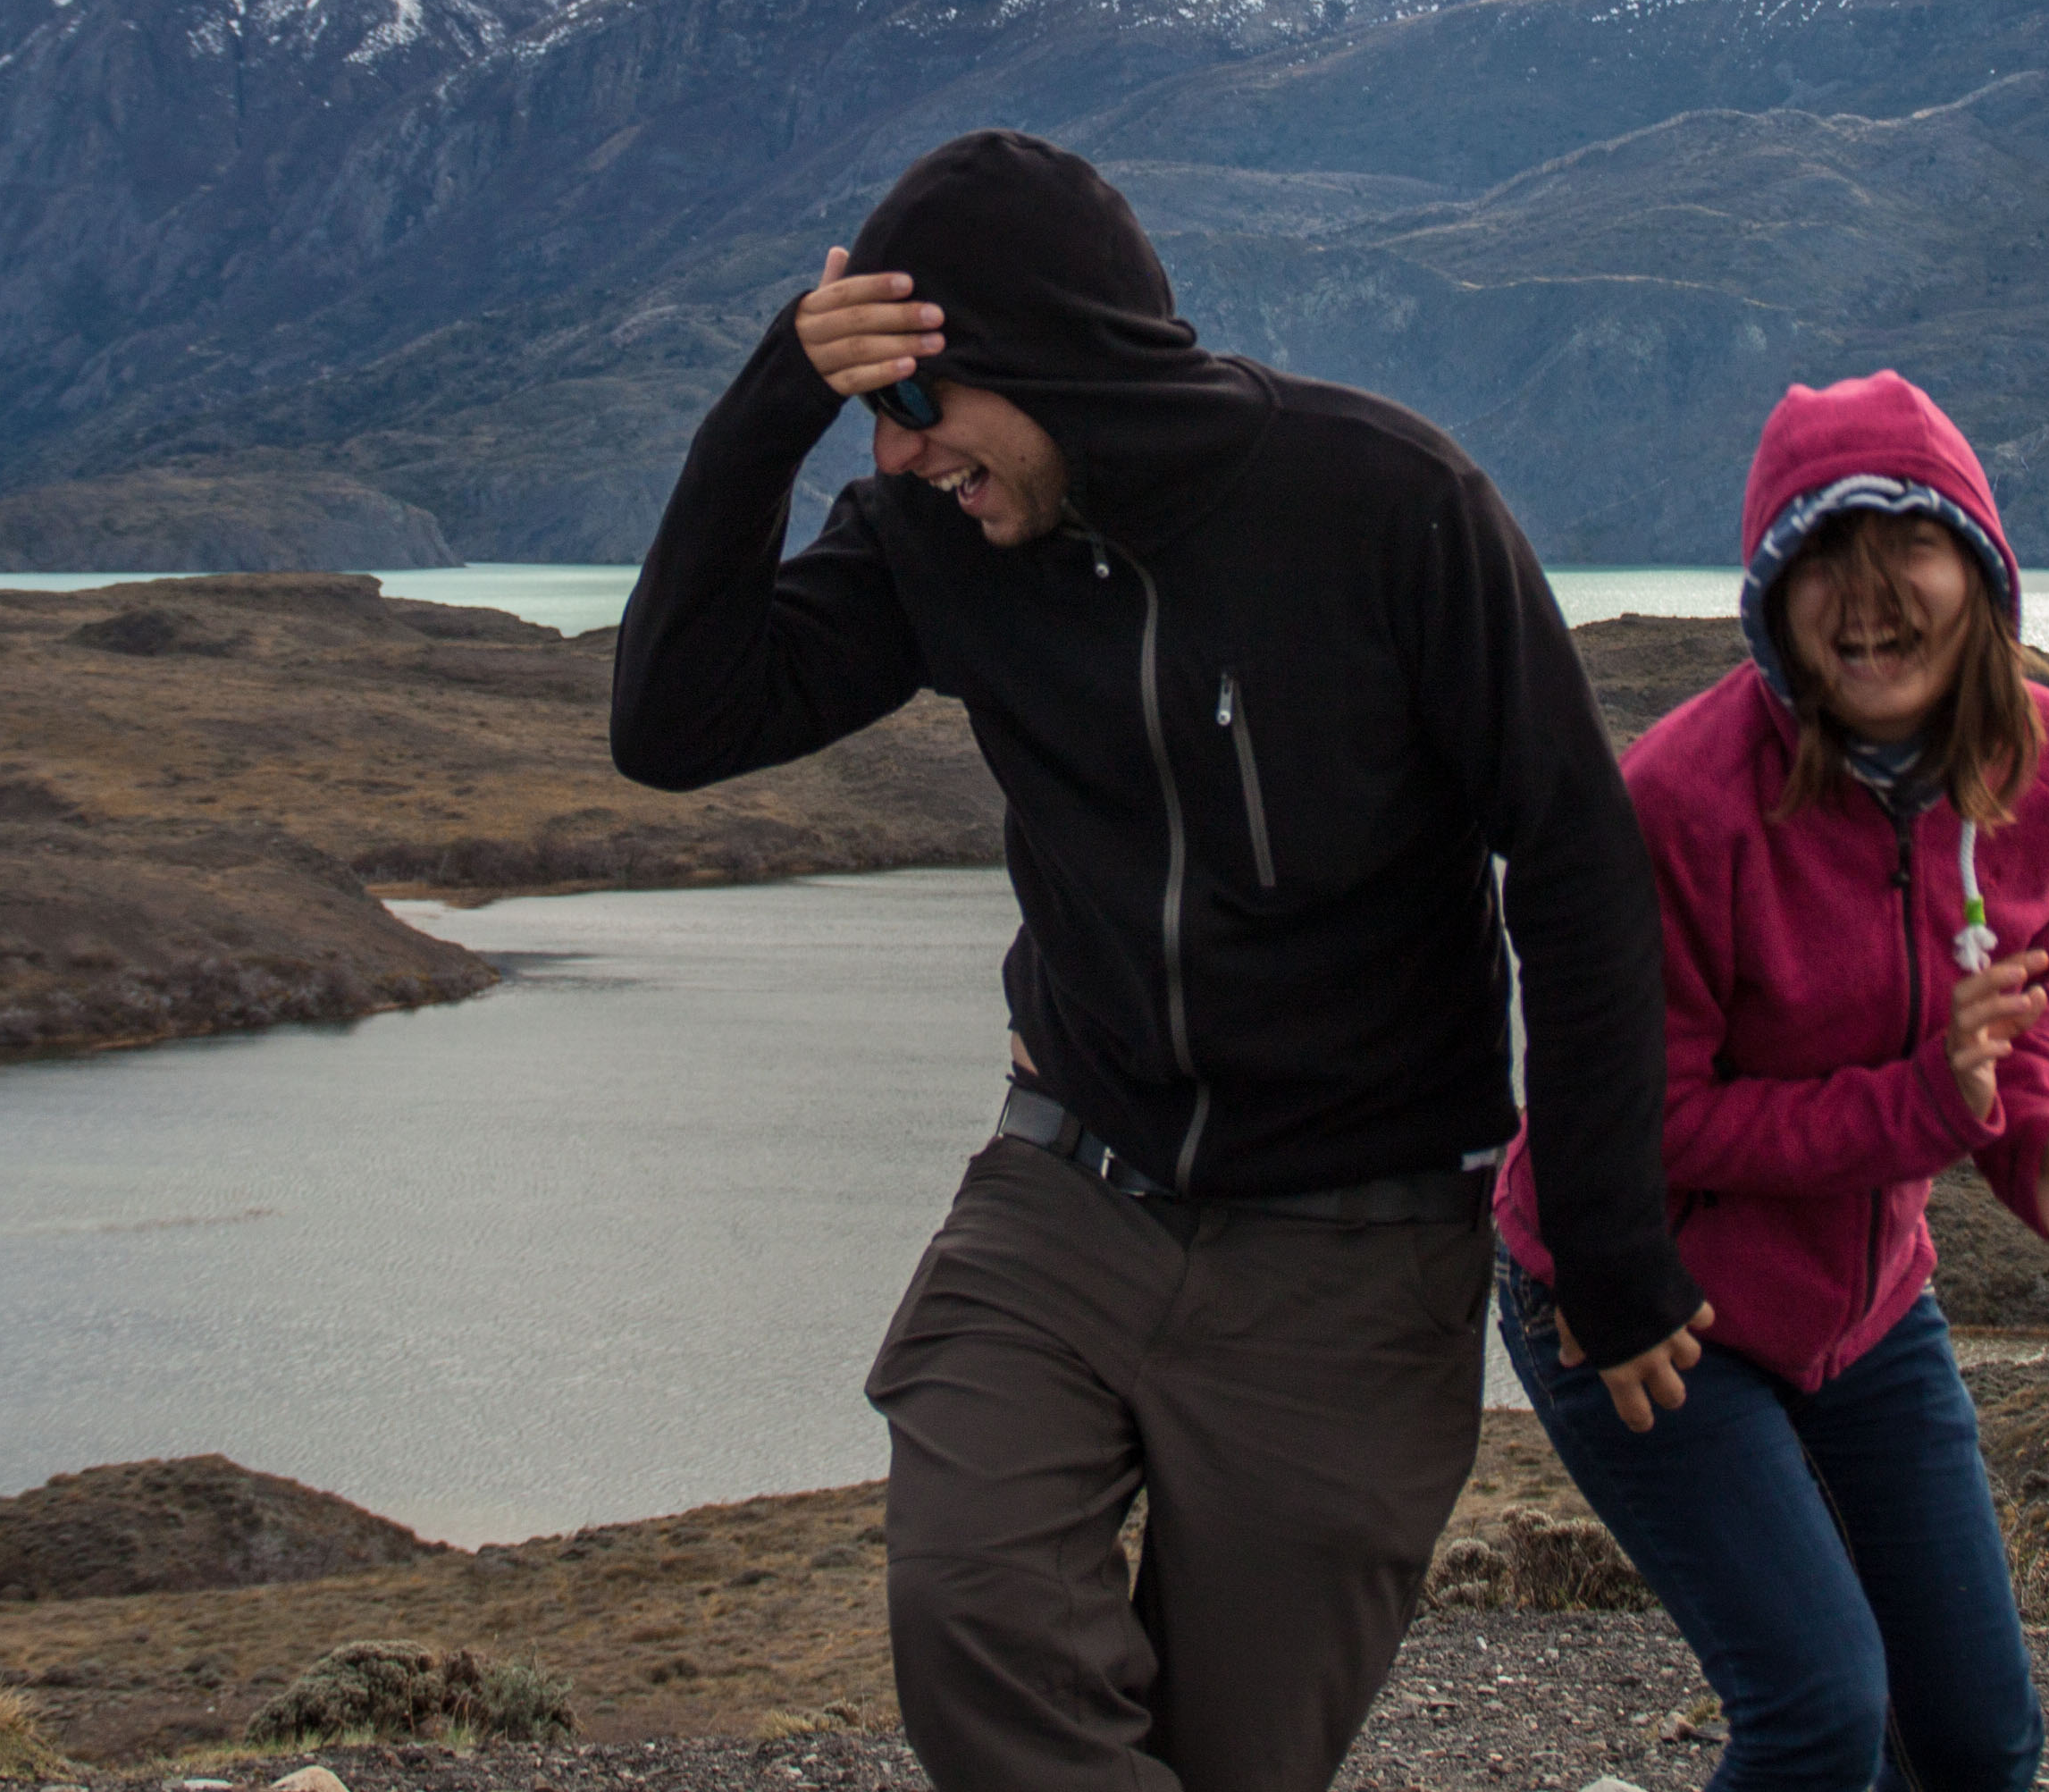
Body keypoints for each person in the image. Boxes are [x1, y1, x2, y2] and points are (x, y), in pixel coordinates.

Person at [609, 129, 1709, 1792]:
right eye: (873, 416)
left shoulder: (1392, 507)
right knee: (971, 1606)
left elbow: (1574, 864)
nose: (904, 461)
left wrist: (1611, 1242)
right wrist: (777, 398)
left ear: (1045, 366)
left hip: (1356, 1242)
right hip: (1068, 1191)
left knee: (1236, 1756)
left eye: (920, 409)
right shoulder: (935, 542)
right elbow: (674, 724)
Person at [1487, 370, 2049, 1792]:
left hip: (1867, 1307)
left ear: (1983, 574)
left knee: (1978, 1741)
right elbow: (1655, 1120)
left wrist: (2034, 1140)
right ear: (1770, 593)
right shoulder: (1686, 804)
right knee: (1820, 1722)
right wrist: (1937, 1112)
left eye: (1908, 549)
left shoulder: (2047, 762)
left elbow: (2012, 1004)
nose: (1867, 598)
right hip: (1635, 1299)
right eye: (1822, 558)